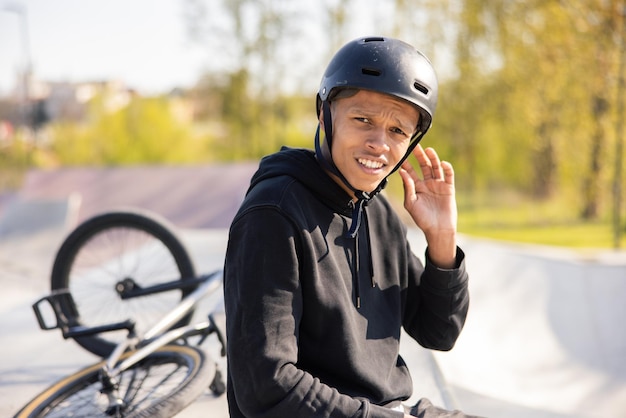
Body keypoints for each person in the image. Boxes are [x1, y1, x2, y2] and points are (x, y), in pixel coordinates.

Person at [223, 36, 475, 417]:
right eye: (363, 120)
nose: (379, 144)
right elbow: (266, 386)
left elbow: (439, 331)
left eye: (397, 131)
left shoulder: (378, 213)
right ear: (325, 115)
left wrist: (441, 240)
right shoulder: (273, 215)